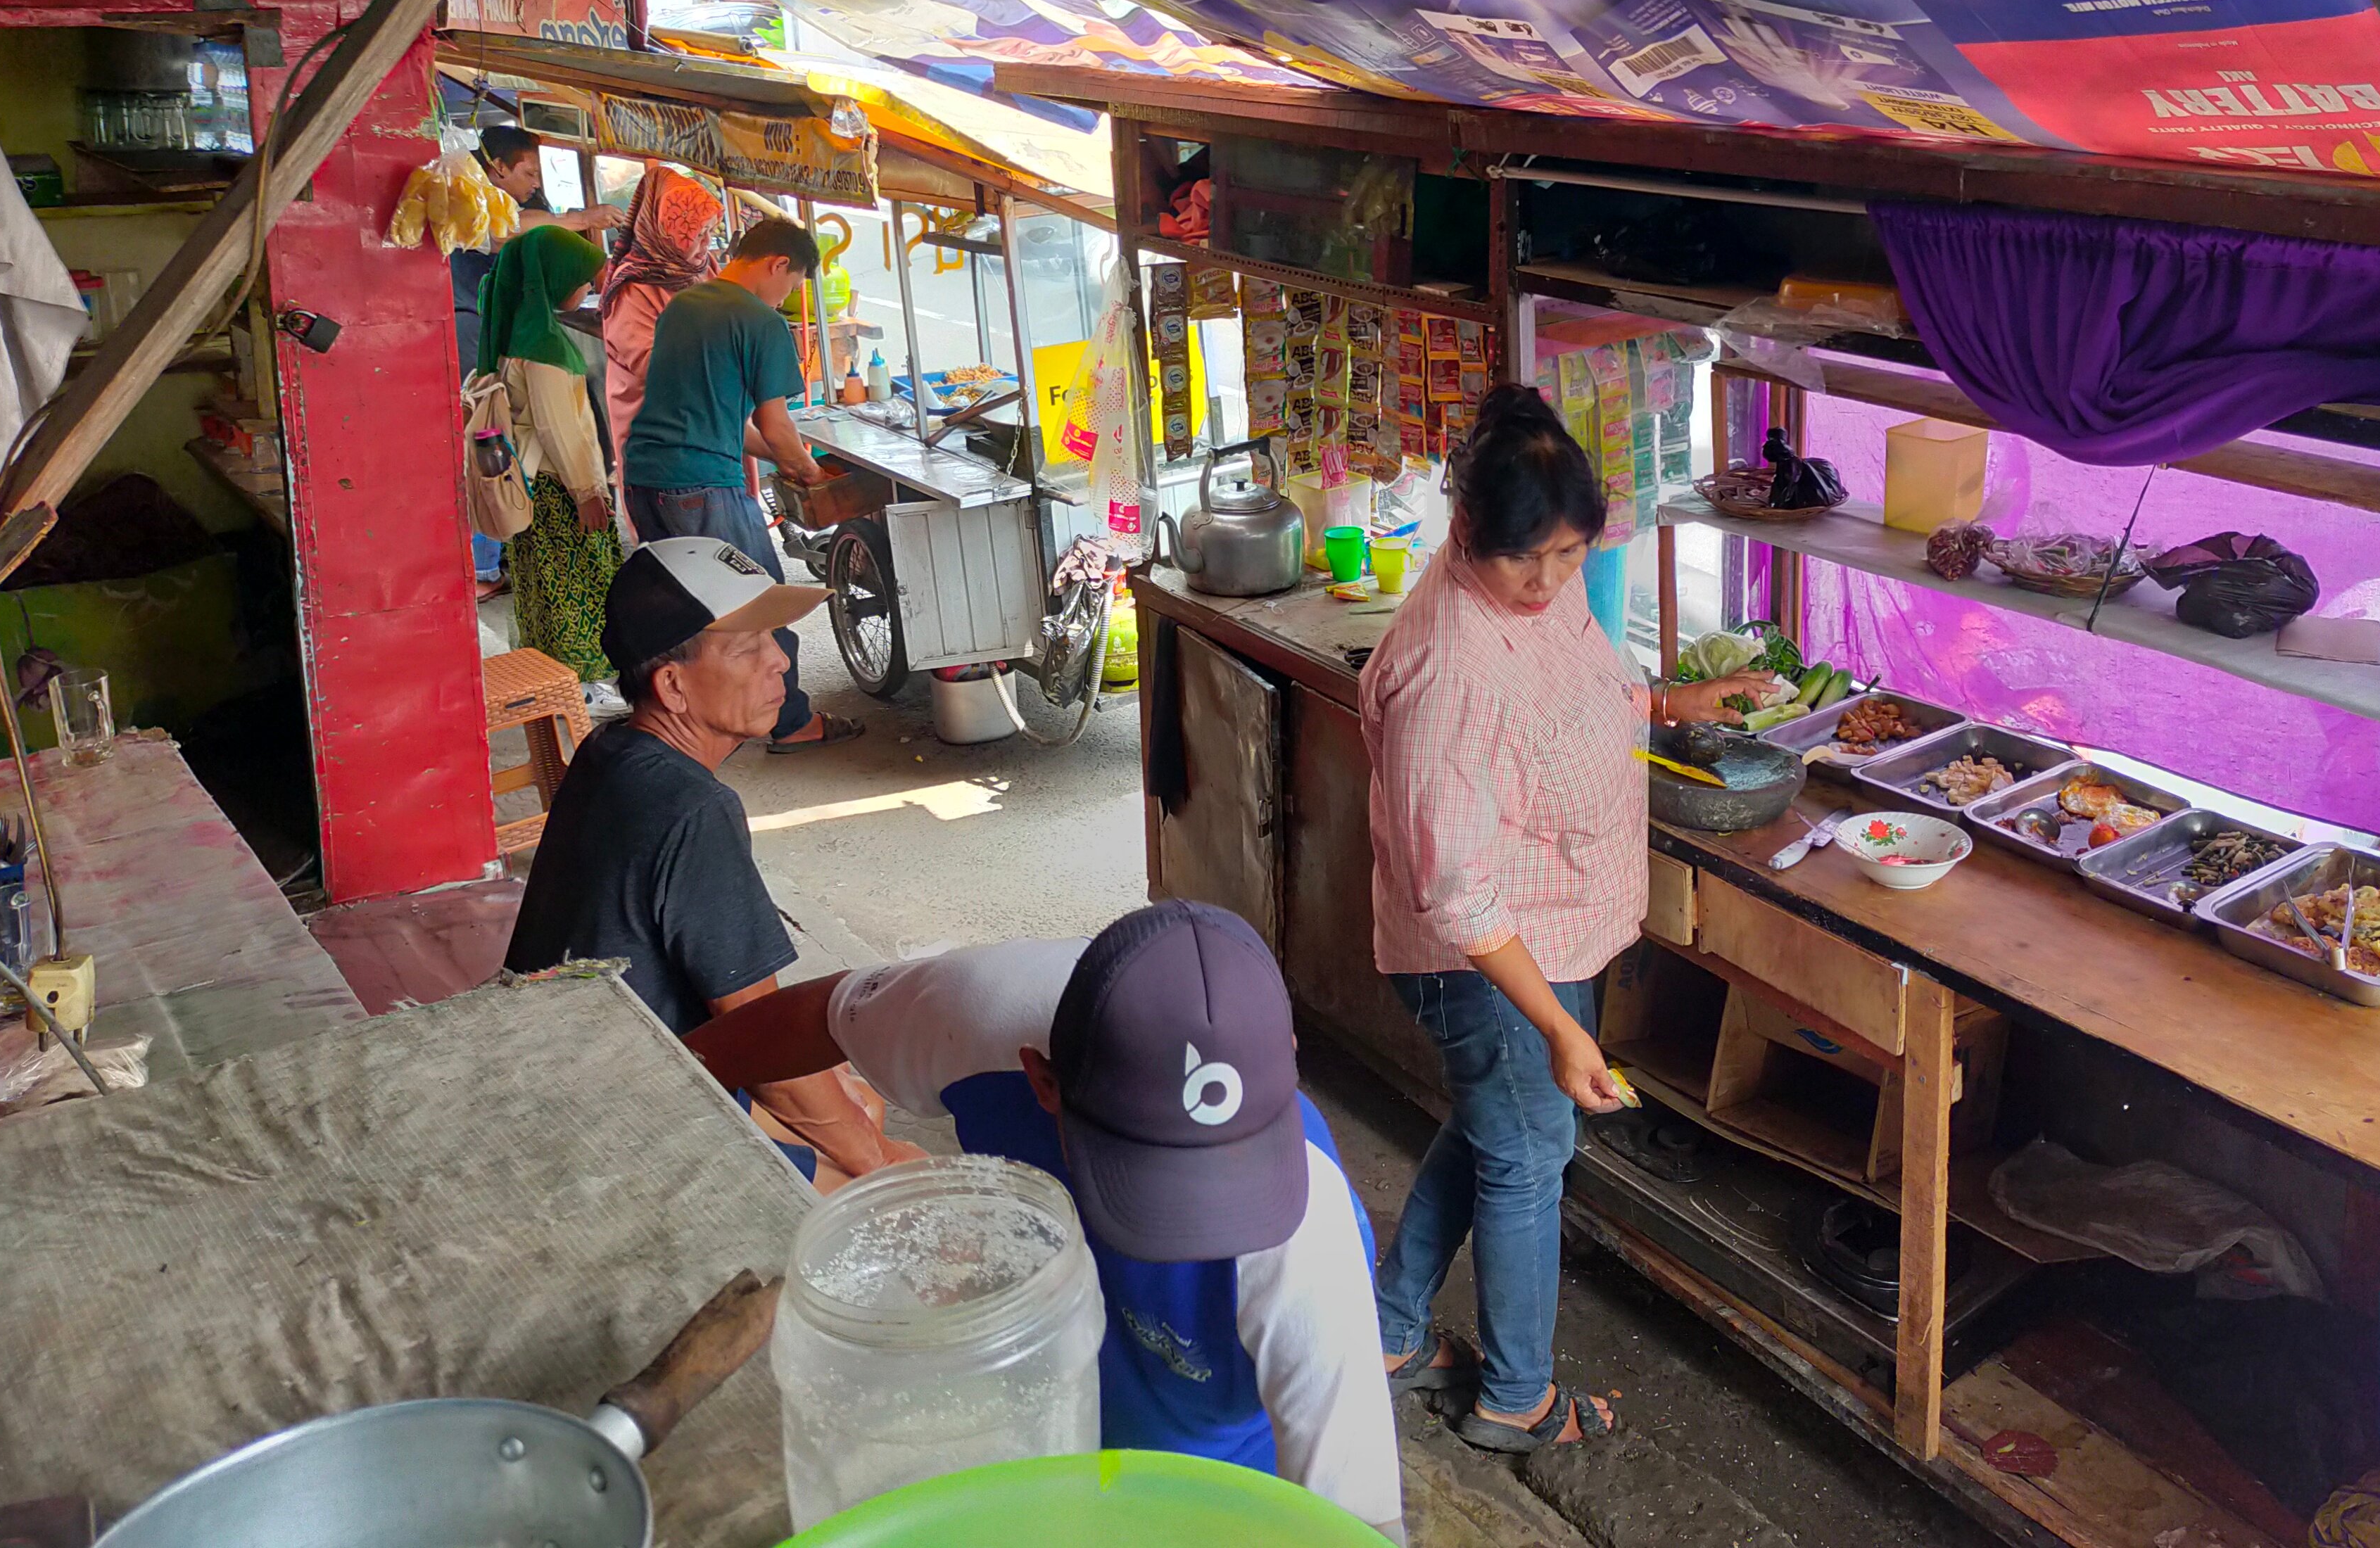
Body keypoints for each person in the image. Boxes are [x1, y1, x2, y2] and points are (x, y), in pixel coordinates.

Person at [685, 901, 1405, 1542]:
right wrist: (671, 1069)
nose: (1186, 1228)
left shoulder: (1309, 1247)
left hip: (1204, 1484)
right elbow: (822, 1016)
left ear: (1288, 1058)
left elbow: (1358, 1523)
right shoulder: (972, 1014)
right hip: (1030, 1402)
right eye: (1147, 1184)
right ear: (1042, 1081)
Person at [1359, 386, 1785, 1451]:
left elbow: (1580, 685)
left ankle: (1388, 1334)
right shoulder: (1450, 667)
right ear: (1465, 532)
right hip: (1490, 958)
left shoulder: (1541, 599)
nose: (1549, 581)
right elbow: (1457, 892)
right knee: (1524, 1162)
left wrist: (1673, 704)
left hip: (1550, 932)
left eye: (1570, 553)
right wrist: (1560, 1028)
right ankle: (1515, 1401)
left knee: (1497, 1134)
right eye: (1526, 560)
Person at [503, 536, 906, 1180]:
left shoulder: (612, 751)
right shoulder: (694, 809)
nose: (779, 662)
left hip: (561, 1069)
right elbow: (756, 1030)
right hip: (613, 1125)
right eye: (747, 648)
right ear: (673, 686)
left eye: (773, 640)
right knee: (867, 1179)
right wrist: (882, 1164)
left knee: (855, 1099)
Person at [619, 214, 858, 752]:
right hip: (703, 485)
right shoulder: (760, 322)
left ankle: (686, 712)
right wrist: (811, 472)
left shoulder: (685, 304)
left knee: (685, 606)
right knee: (762, 601)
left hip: (647, 478)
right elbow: (776, 427)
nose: (787, 296)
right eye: (792, 284)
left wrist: (793, 458)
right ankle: (791, 721)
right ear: (778, 265)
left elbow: (733, 426)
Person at [455, 125, 616, 597]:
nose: (532, 183)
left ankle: (491, 556)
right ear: (497, 167)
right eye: (525, 172)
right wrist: (586, 491)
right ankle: (485, 564)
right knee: (490, 438)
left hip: (524, 464)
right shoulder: (473, 204)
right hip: (544, 476)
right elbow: (557, 427)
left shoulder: (525, 331)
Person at [474, 224, 622, 708]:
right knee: (577, 585)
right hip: (561, 489)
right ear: (555, 280)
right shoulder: (545, 349)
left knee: (542, 586)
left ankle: (553, 678)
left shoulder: (511, 329)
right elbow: (560, 429)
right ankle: (582, 687)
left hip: (534, 485)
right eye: (581, 280)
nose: (589, 289)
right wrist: (587, 493)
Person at [597, 163, 726, 472]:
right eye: (696, 233)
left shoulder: (702, 267)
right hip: (661, 439)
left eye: (711, 231)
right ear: (667, 232)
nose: (707, 243)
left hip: (711, 424)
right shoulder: (634, 288)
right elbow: (652, 368)